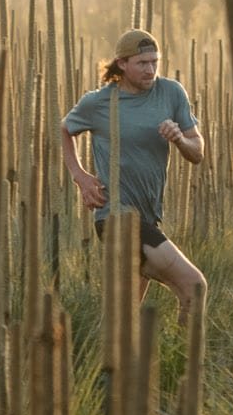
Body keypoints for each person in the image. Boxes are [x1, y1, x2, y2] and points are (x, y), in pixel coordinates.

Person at [61, 28, 207, 322]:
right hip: (115, 218)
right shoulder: (98, 102)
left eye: (155, 61)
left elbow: (198, 152)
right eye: (142, 63)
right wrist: (81, 177)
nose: (151, 69)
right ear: (122, 64)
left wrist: (179, 139)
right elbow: (64, 129)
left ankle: (122, 365)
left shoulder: (171, 92)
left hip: (147, 217)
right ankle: (190, 364)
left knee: (125, 319)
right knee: (194, 286)